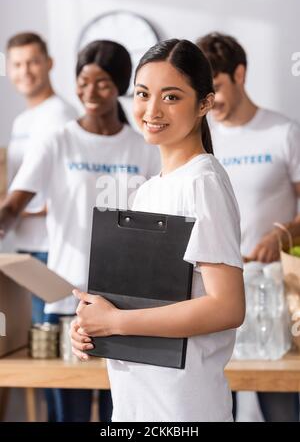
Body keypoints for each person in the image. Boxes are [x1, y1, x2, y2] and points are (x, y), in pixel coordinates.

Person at [71, 39, 245, 422]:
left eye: (171, 97)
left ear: (204, 103)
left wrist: (116, 321)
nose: (151, 110)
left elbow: (228, 306)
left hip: (183, 407)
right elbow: (141, 301)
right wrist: (90, 323)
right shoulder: (150, 189)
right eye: (143, 94)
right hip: (136, 403)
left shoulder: (203, 181)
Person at [0, 39, 160, 422]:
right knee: (66, 409)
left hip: (124, 302)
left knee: (118, 410)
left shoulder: (143, 148)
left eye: (102, 84)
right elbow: (13, 206)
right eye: (82, 82)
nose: (89, 93)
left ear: (120, 86)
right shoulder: (58, 140)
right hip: (64, 297)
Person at [197, 32, 300, 422]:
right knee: (216, 401)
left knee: (278, 402)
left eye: (217, 87)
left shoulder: (283, 132)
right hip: (211, 289)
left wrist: (282, 234)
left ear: (239, 73)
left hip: (272, 291)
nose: (212, 100)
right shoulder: (201, 139)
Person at [6, 32, 77, 325]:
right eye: (18, 64)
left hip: (51, 247)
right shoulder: (22, 121)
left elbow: (72, 189)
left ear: (49, 63)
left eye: (33, 62)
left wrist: (13, 210)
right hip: (26, 245)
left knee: (47, 340)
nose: (25, 71)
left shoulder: (61, 116)